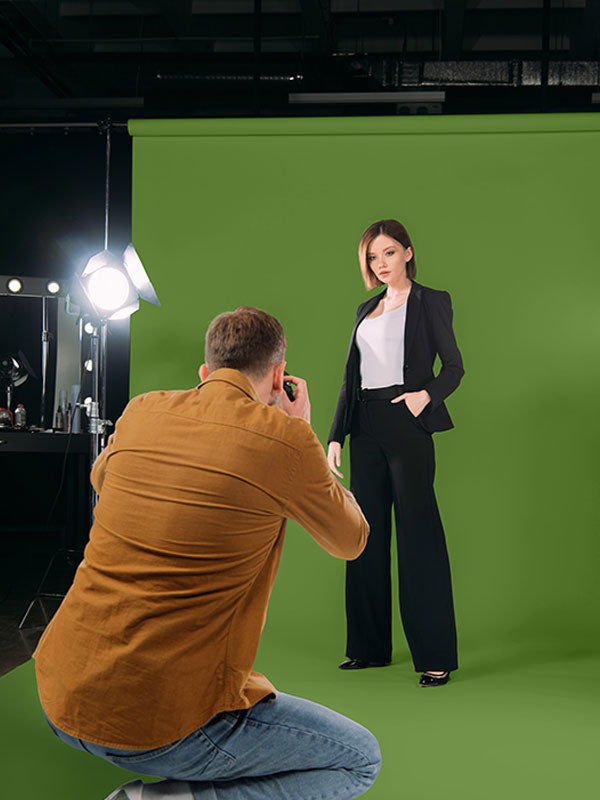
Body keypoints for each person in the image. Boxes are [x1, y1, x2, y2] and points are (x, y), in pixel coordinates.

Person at [34, 306, 381, 800]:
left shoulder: (141, 410)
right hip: (158, 726)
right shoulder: (286, 440)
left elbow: (102, 480)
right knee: (359, 760)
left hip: (61, 695)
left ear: (205, 373)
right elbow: (352, 540)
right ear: (280, 376)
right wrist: (300, 433)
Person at [327, 220, 464, 688]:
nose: (380, 264)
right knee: (364, 533)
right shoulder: (367, 309)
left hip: (407, 422)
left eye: (387, 253)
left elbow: (455, 367)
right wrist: (335, 435)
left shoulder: (432, 302)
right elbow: (352, 379)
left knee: (417, 535)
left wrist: (424, 397)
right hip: (364, 426)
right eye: (371, 257)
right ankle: (367, 648)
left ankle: (434, 655)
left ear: (407, 252)